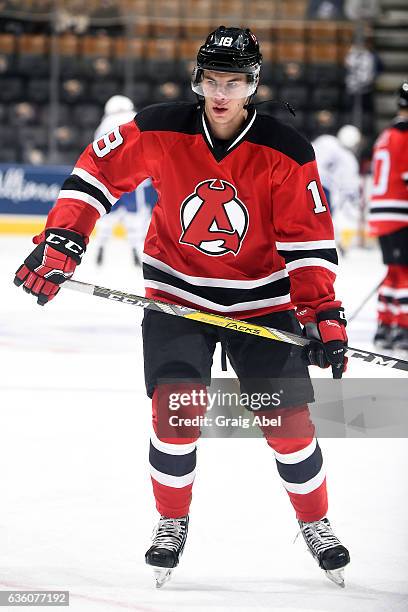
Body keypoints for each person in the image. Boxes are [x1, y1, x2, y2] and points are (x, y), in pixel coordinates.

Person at [13, 27, 350, 588]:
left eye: (234, 81)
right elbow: (94, 172)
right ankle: (171, 520)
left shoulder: (286, 150)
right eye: (213, 80)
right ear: (198, 80)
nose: (221, 93)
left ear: (252, 85)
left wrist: (321, 312)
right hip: (178, 298)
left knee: (288, 423)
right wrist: (64, 241)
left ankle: (316, 523)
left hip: (261, 304)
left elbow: (308, 241)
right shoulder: (157, 128)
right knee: (176, 416)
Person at [369, 82, 408, 351]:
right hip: (400, 213)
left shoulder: (386, 134)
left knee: (393, 273)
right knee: (404, 273)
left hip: (382, 214)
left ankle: (385, 325)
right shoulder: (406, 136)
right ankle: (403, 328)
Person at [93, 95, 153, 267]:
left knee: (107, 217)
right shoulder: (137, 119)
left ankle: (100, 247)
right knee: (135, 219)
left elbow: (97, 154)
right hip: (134, 180)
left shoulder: (103, 126)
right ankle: (136, 250)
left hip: (111, 181)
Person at [312, 125, 361, 253]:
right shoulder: (349, 159)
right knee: (324, 220)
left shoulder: (325, 140)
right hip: (324, 189)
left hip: (305, 181)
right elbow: (348, 187)